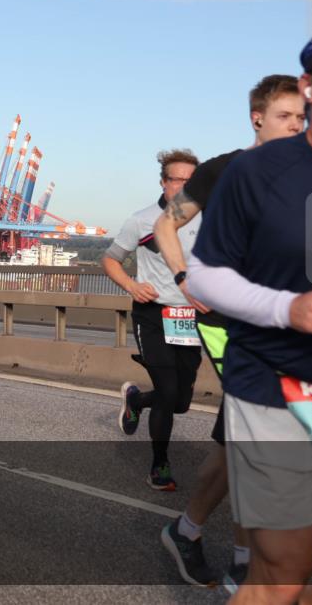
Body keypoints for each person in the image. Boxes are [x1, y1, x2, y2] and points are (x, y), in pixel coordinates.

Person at [188, 23, 312, 605]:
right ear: (310, 87)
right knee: (283, 573)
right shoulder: (259, 172)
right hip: (275, 390)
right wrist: (286, 308)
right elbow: (204, 274)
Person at [151, 75, 305, 591]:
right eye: (286, 117)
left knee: (234, 440)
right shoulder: (225, 169)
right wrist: (182, 278)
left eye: (302, 117)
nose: (297, 126)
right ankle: (244, 562)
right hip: (224, 322)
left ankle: (187, 530)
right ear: (257, 118)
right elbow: (165, 228)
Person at [103, 150, 202, 491]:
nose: (185, 187)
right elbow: (111, 259)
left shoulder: (209, 218)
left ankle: (135, 400)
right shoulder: (142, 220)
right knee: (167, 389)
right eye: (178, 180)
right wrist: (131, 284)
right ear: (163, 182)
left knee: (180, 402)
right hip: (153, 315)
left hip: (192, 318)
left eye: (192, 182)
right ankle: (160, 465)